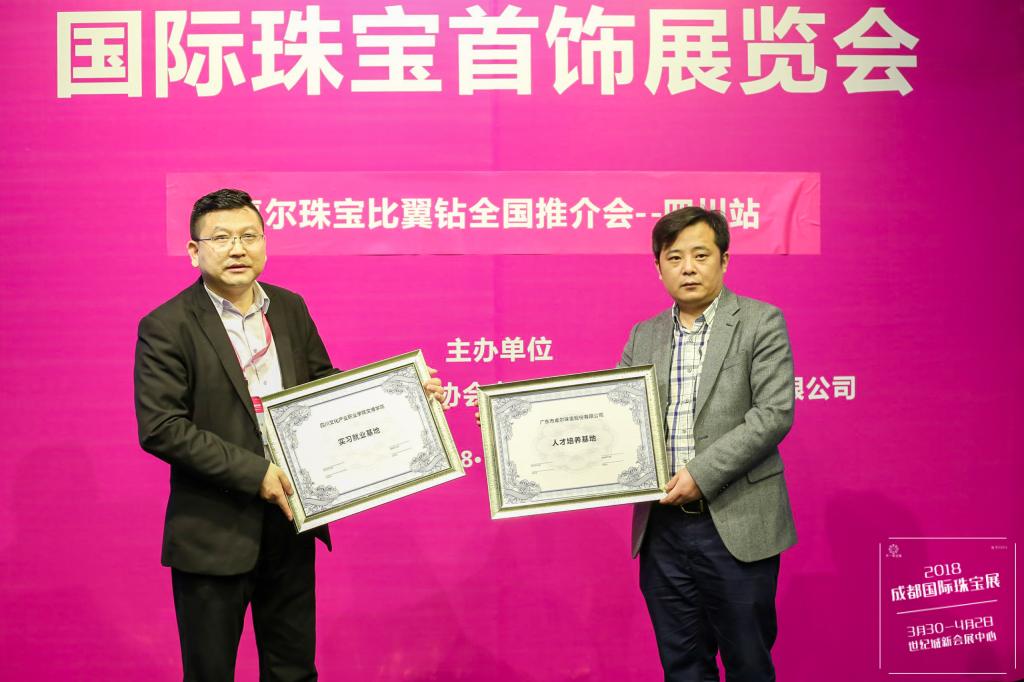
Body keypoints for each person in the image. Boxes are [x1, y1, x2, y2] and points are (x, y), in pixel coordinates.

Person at [134, 188, 443, 681]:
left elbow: (324, 387)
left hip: (293, 518)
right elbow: (163, 427)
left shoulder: (289, 308)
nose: (238, 249)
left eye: (249, 236)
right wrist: (256, 473)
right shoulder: (167, 325)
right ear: (195, 251)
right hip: (214, 532)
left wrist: (405, 400)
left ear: (264, 242)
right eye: (221, 238)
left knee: (294, 671)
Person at [618, 206, 797, 681]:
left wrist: (701, 474)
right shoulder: (643, 335)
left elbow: (773, 414)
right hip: (662, 528)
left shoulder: (760, 321)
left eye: (701, 255)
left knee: (749, 665)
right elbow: (614, 417)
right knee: (682, 667)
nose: (688, 268)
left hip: (736, 522)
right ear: (658, 267)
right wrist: (514, 426)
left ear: (724, 260)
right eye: (675, 257)